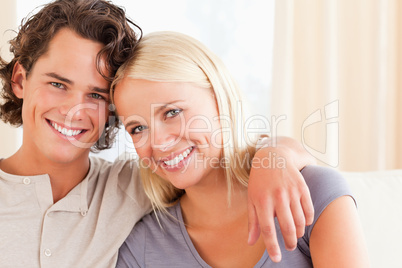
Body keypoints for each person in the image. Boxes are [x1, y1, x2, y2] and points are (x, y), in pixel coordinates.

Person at [0, 1, 315, 267]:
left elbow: (218, 152)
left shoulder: (132, 184)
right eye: (57, 84)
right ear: (19, 80)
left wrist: (275, 156)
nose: (74, 111)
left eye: (95, 95)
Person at [113, 31, 369, 267]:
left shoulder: (311, 195)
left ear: (219, 97)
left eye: (172, 112)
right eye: (137, 128)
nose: (158, 142)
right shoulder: (142, 246)